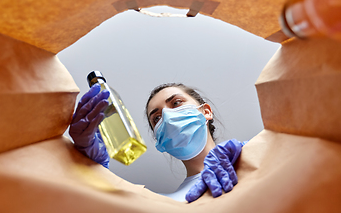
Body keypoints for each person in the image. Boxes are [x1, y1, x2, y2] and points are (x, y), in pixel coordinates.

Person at [69, 83, 246, 202]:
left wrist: (248, 154)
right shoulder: (170, 203)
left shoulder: (253, 156)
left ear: (206, 111)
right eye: (157, 118)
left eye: (176, 103)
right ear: (160, 141)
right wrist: (89, 166)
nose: (168, 117)